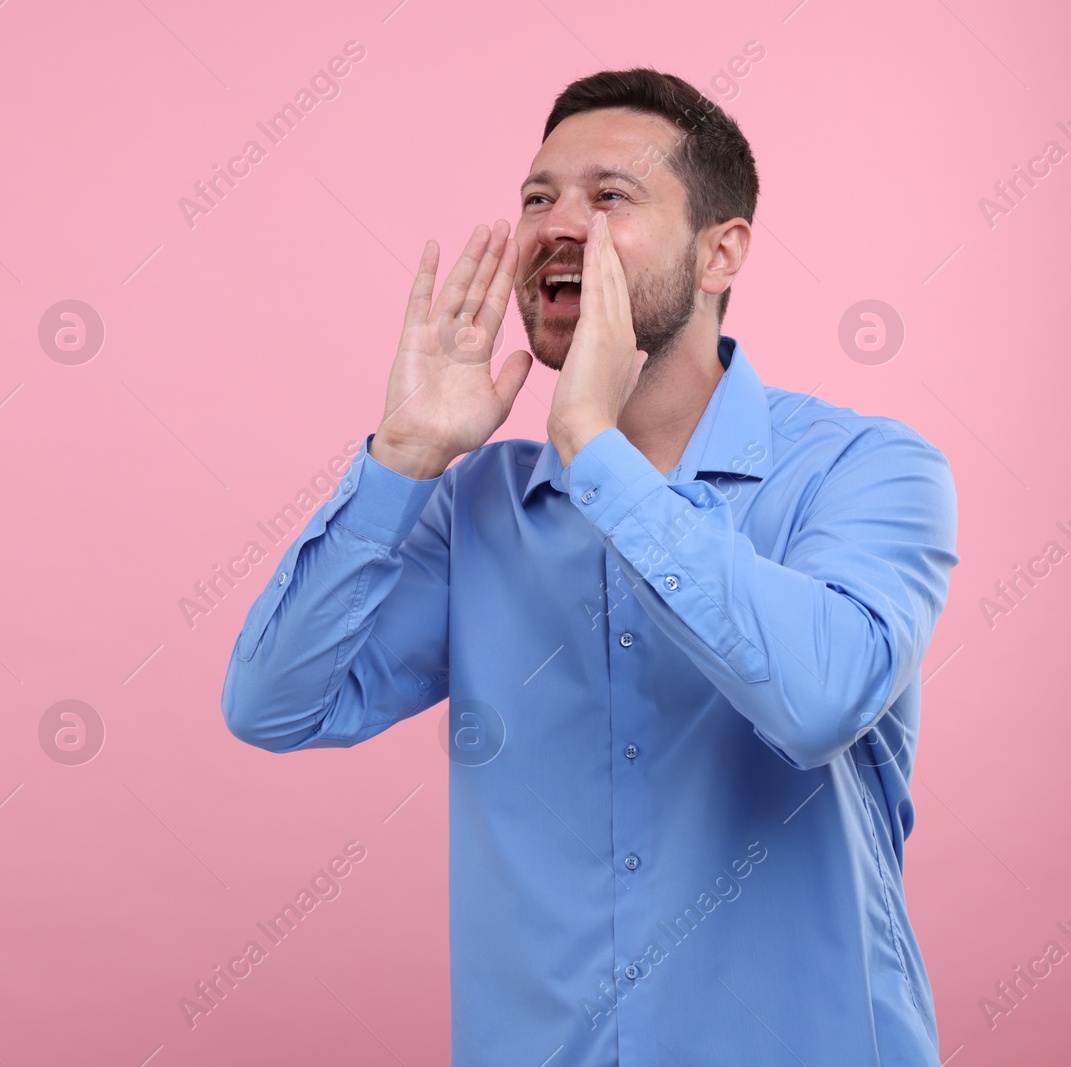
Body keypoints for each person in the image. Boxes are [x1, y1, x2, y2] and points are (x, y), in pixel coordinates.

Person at [220, 67, 959, 1066]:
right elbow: (273, 702)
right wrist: (400, 459)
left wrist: (598, 456)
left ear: (719, 250)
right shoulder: (473, 507)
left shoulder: (868, 469)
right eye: (537, 197)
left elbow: (817, 696)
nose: (556, 225)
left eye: (609, 196)